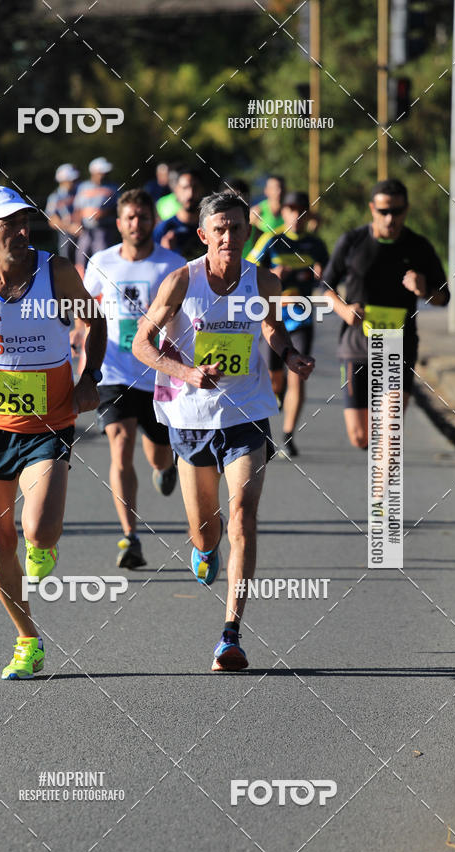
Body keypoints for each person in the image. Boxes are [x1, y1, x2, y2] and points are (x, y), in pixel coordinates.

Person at [133, 191, 314, 671]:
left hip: (246, 413)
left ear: (248, 231)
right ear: (203, 235)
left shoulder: (263, 281)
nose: (229, 236)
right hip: (190, 417)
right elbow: (141, 344)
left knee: (242, 517)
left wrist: (290, 355)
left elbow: (271, 327)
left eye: (236, 228)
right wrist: (187, 373)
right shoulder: (181, 281)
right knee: (206, 531)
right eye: (220, 229)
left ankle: (230, 635)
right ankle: (204, 548)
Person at [0, 185, 107, 679]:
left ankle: (44, 542)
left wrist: (89, 377)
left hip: (49, 420)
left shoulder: (56, 272)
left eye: (23, 220)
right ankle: (28, 640)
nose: (19, 229)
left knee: (39, 529)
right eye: (7, 222)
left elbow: (96, 322)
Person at [84, 189, 185, 567]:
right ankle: (130, 537)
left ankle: (166, 466)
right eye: (130, 217)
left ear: (152, 221)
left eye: (143, 217)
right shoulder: (102, 262)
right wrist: (83, 362)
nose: (136, 224)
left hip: (160, 374)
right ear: (119, 222)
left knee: (158, 453)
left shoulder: (172, 265)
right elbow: (85, 314)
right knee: (120, 443)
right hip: (114, 372)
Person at [322, 178, 450, 449]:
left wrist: (424, 290)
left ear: (407, 209)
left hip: (399, 348)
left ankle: (382, 476)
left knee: (388, 432)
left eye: (397, 211)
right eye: (384, 211)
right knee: (360, 437)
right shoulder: (353, 242)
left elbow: (443, 297)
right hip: (357, 347)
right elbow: (326, 287)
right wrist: (344, 310)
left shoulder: (418, 246)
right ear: (372, 209)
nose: (390, 218)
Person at [247, 191, 329, 456]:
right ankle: (277, 397)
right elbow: (247, 271)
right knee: (274, 380)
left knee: (299, 375)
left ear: (308, 215)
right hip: (273, 317)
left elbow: (330, 278)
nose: (296, 215)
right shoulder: (272, 240)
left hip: (302, 316)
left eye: (301, 210)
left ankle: (288, 435)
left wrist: (322, 275)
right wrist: (271, 274)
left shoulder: (316, 245)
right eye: (291, 210)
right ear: (283, 213)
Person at [75, 157, 119, 272]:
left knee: (102, 260)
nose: (104, 175)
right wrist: (77, 224)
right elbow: (77, 209)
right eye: (101, 172)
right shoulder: (83, 187)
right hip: (85, 230)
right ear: (94, 172)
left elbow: (120, 208)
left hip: (104, 230)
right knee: (81, 259)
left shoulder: (113, 187)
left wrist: (105, 212)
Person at [152, 168, 205, 259]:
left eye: (195, 187)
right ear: (176, 191)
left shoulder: (211, 226)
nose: (190, 193)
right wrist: (164, 254)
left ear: (202, 190)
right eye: (185, 188)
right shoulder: (163, 230)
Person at [45, 163, 80, 264]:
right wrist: (70, 228)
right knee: (66, 263)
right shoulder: (54, 197)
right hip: (66, 237)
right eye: (70, 180)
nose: (73, 182)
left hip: (84, 235)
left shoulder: (80, 192)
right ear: (62, 180)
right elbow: (52, 221)